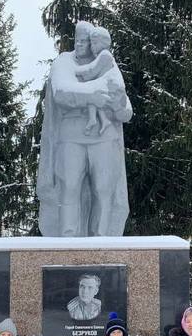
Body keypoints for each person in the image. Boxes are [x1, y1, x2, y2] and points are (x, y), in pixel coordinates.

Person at [37, 21, 133, 237]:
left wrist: (115, 102)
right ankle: (67, 241)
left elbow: (126, 111)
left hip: (105, 138)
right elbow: (61, 92)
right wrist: (93, 95)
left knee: (104, 191)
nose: (82, 45)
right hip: (71, 136)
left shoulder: (107, 62)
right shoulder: (64, 62)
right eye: (79, 40)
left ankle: (102, 241)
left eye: (87, 41)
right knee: (68, 188)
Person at [76, 27, 125, 136]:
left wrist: (76, 71)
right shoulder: (102, 56)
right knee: (94, 95)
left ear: (104, 43)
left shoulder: (105, 55)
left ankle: (94, 119)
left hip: (111, 85)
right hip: (106, 84)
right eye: (92, 44)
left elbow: (92, 70)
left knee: (92, 91)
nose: (92, 47)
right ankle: (102, 120)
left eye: (94, 43)